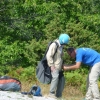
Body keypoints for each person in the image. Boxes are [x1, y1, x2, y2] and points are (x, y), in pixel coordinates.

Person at [46, 33, 70, 99]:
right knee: (55, 77)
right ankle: (51, 93)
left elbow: (59, 57)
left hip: (59, 67)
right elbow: (48, 55)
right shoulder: (54, 45)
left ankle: (58, 95)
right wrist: (51, 65)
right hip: (54, 66)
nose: (66, 44)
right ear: (63, 41)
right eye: (65, 43)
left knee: (62, 80)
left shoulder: (61, 46)